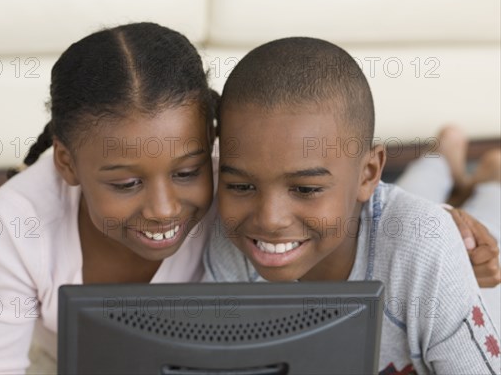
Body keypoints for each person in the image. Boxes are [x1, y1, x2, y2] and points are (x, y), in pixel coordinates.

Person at [204, 37, 501, 374]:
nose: (269, 220)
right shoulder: (231, 242)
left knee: (485, 215)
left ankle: (489, 173)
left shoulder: (427, 253)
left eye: (305, 188)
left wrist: (441, 232)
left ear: (369, 173)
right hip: (384, 219)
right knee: (405, 204)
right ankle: (443, 154)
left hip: (479, 294)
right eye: (241, 186)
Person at [0, 22, 221, 374]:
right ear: (67, 164)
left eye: (187, 173)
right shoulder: (24, 212)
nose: (164, 209)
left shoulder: (233, 193)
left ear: (211, 139)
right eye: (127, 183)